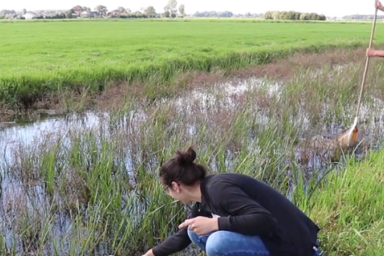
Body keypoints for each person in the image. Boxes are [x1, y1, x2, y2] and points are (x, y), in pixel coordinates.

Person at [142, 146, 321, 256]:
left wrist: (216, 224)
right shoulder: (204, 196)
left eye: (167, 190)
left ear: (176, 186)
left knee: (217, 243)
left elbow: (265, 220)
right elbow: (182, 237)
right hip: (277, 239)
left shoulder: (218, 190)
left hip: (294, 245)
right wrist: (152, 254)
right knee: (193, 230)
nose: (169, 194)